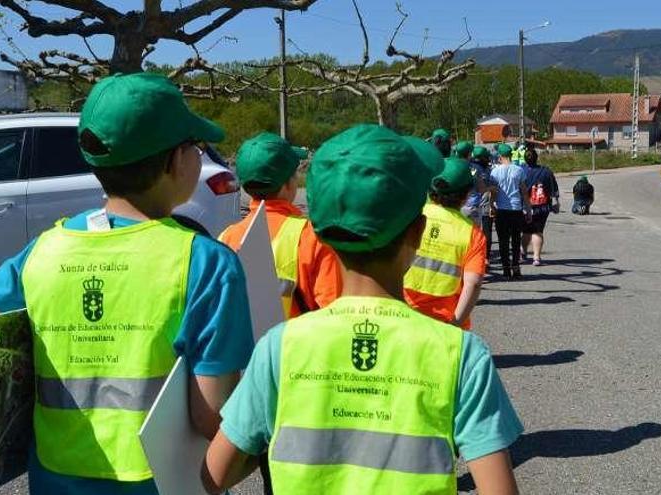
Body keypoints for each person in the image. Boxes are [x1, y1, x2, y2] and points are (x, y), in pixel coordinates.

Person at [0, 73, 255, 495]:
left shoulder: (43, 251)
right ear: (174, 161)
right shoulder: (206, 263)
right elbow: (211, 417)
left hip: (54, 480)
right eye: (196, 147)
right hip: (160, 483)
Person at [201, 124, 522, 495]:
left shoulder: (278, 347)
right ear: (417, 233)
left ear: (319, 233)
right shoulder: (462, 355)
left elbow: (214, 475)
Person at [220, 132, 342, 318]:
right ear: (287, 184)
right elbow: (332, 312)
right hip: (296, 345)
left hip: (243, 346)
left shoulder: (225, 238)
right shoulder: (313, 237)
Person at [404, 156, 487, 329]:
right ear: (466, 195)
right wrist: (455, 323)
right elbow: (473, 283)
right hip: (445, 319)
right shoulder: (473, 233)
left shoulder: (410, 216)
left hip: (403, 312)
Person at [489, 143, 531, 280]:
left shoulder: (495, 172)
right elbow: (524, 192)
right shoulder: (519, 170)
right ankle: (516, 267)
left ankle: (506, 269)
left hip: (501, 209)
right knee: (516, 240)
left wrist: (491, 205)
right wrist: (528, 209)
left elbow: (494, 192)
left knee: (503, 240)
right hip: (516, 209)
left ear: (500, 156)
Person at [521, 147, 560, 266]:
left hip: (525, 206)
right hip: (542, 207)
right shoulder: (546, 171)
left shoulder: (521, 171)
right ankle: (536, 257)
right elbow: (554, 190)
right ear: (536, 158)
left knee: (526, 231)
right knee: (538, 231)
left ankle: (523, 253)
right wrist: (556, 202)